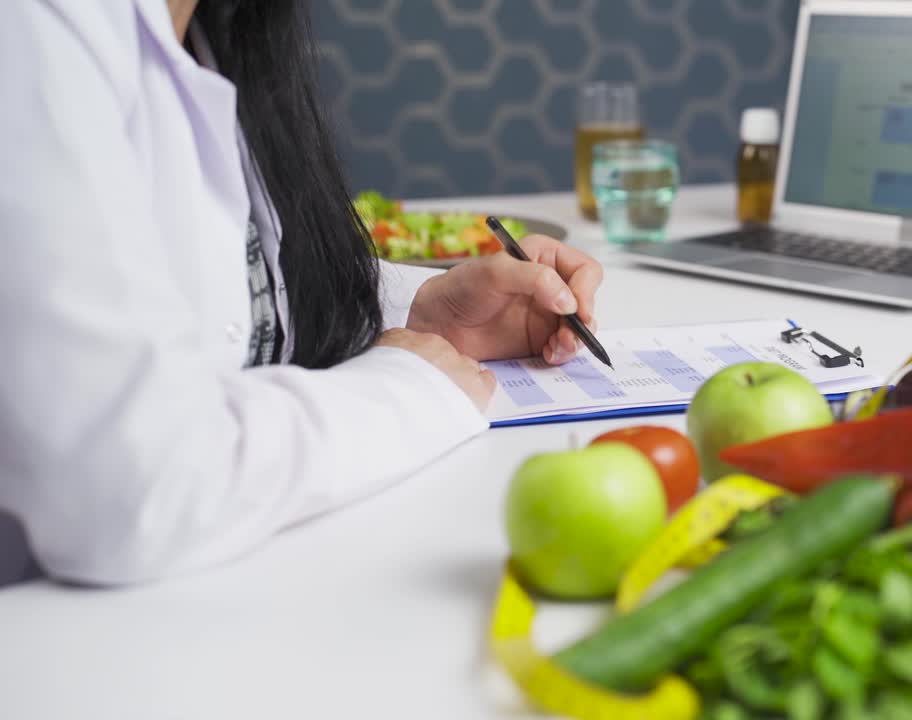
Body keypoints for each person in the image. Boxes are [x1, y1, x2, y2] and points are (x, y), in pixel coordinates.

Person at [0, 0, 603, 586]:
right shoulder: (30, 31)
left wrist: (420, 312)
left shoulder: (211, 31)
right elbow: (128, 489)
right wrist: (407, 388)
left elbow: (215, 287)